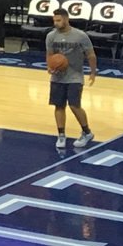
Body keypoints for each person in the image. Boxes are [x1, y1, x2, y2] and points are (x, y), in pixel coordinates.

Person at [45, 9, 98, 150]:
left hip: (75, 76)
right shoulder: (51, 36)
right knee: (58, 106)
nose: (56, 23)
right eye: (54, 21)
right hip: (57, 76)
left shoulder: (80, 36)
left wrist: (93, 72)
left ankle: (87, 132)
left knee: (74, 105)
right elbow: (49, 55)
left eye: (58, 20)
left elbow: (91, 55)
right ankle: (61, 135)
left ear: (66, 19)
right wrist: (49, 67)